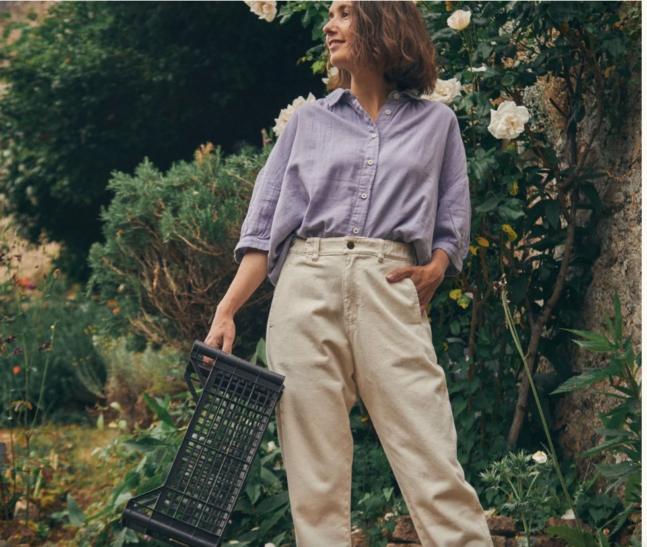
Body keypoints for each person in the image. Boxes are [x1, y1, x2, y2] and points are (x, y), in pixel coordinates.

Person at [206, 2, 493, 546]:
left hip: (389, 287)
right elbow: (265, 229)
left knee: (430, 452)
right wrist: (227, 309)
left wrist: (436, 265)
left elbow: (452, 218)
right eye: (329, 14)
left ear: (384, 25)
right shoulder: (308, 122)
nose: (328, 25)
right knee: (315, 475)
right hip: (305, 285)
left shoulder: (438, 123)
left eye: (344, 13)